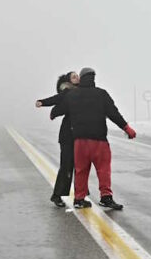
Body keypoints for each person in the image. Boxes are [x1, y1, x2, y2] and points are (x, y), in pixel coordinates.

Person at [53, 67, 136, 210]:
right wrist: (127, 128)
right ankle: (106, 197)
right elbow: (113, 113)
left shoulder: (72, 95)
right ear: (93, 78)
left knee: (81, 171)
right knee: (103, 170)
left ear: (81, 78)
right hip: (99, 140)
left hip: (80, 142)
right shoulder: (101, 94)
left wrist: (53, 113)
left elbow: (57, 110)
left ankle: (79, 199)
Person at [35, 71, 79, 207]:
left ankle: (80, 197)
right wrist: (42, 102)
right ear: (69, 81)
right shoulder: (67, 92)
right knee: (66, 166)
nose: (77, 77)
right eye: (74, 76)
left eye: (77, 75)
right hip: (67, 135)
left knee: (80, 167)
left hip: (79, 134)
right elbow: (55, 99)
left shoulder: (82, 92)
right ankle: (57, 195)